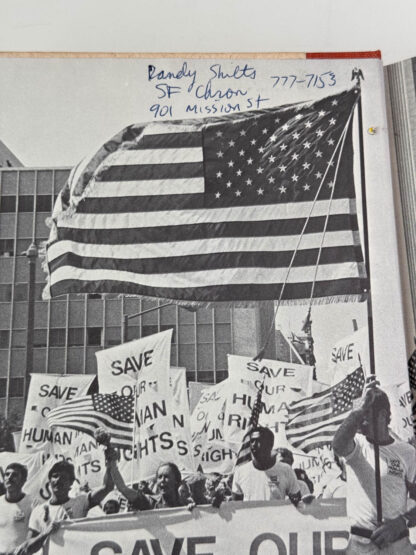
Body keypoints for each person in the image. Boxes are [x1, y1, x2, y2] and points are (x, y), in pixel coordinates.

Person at [333, 383, 416, 554]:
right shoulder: (356, 445)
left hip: (397, 544)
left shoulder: (407, 452)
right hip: (360, 545)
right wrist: (357, 411)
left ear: (383, 415)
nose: (360, 422)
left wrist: (401, 522)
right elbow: (338, 445)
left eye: (365, 415)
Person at [24, 458, 113, 554]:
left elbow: (107, 487)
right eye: (55, 476)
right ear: (49, 481)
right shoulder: (38, 511)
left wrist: (110, 464)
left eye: (63, 477)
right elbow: (27, 549)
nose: (58, 480)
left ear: (71, 482)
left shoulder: (81, 502)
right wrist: (45, 533)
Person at [232, 426, 301, 505]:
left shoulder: (286, 470)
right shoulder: (240, 472)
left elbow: (297, 501)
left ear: (270, 444)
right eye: (252, 441)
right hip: (252, 517)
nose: (254, 445)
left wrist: (295, 501)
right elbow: (235, 506)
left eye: (259, 441)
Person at [109, 453, 195, 511]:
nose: (162, 481)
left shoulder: (186, 505)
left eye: (166, 477)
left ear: (176, 481)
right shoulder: (150, 502)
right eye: (159, 477)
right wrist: (112, 463)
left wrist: (195, 513)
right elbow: (123, 488)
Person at [0, 462, 32, 555]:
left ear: (23, 481)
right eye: (7, 474)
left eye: (14, 475)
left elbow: (35, 536)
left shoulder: (32, 504)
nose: (9, 477)